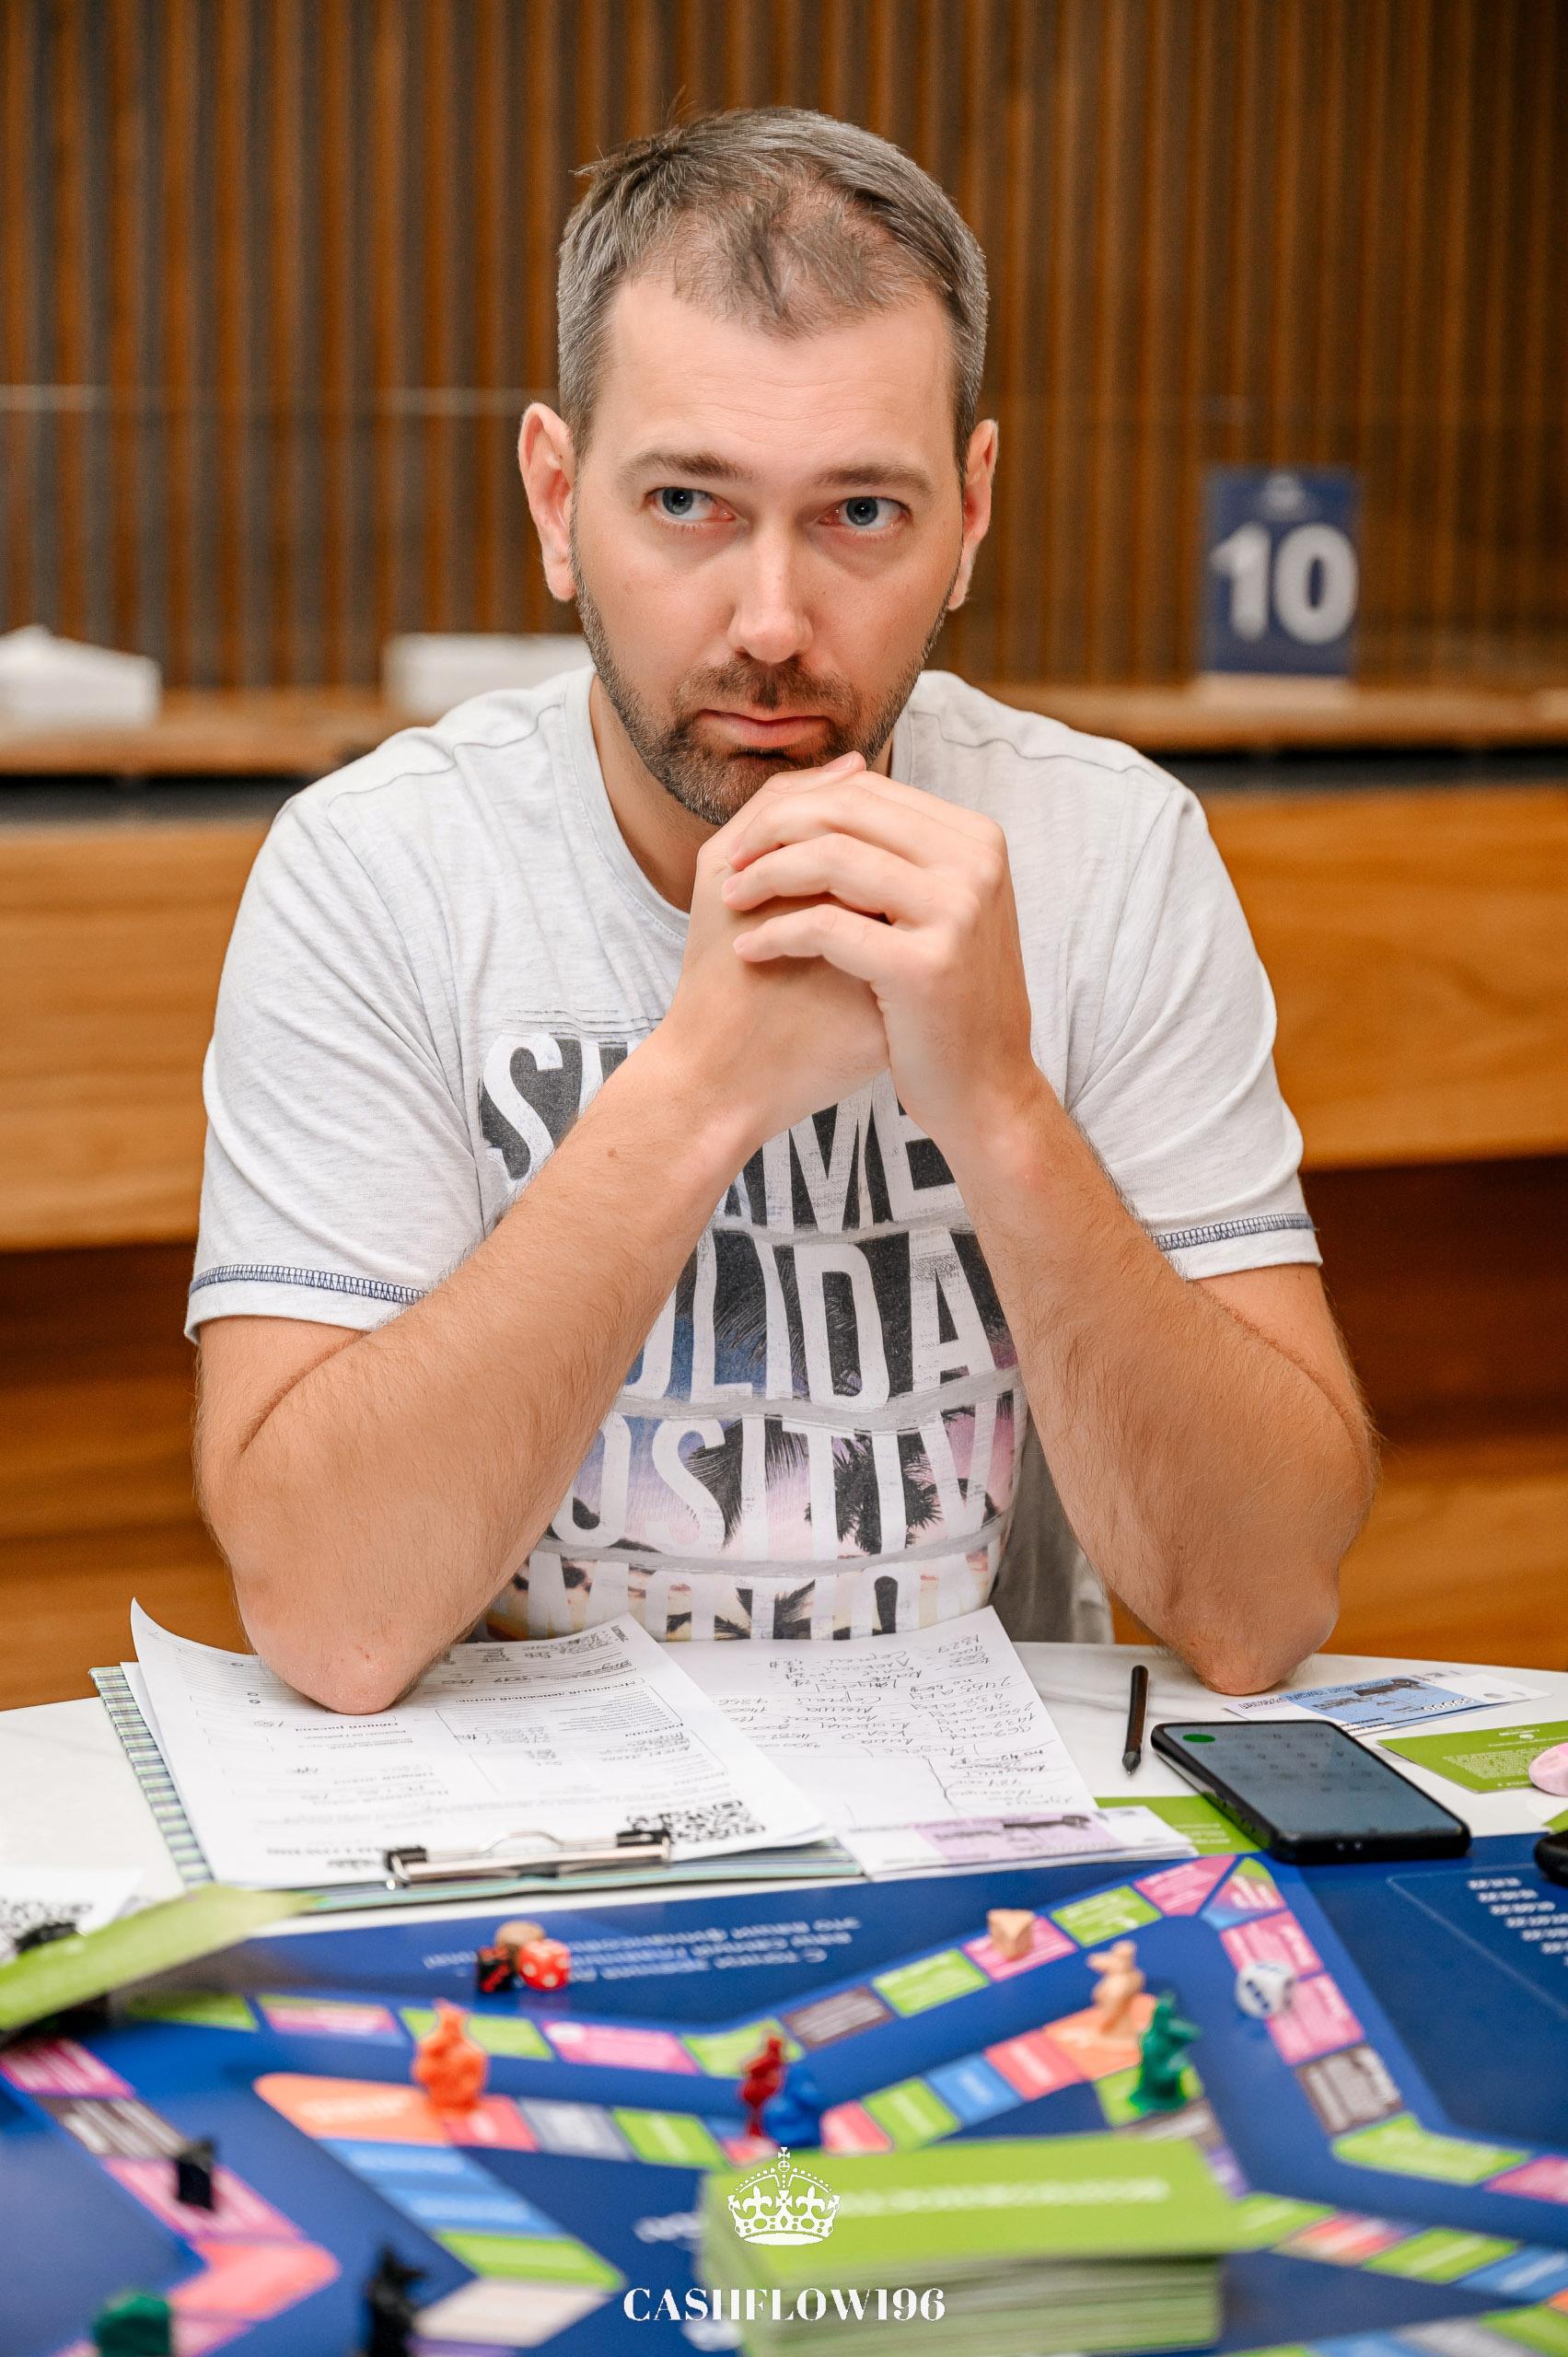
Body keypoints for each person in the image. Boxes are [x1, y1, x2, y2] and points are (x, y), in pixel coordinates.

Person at [189, 107, 1376, 1715]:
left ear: (970, 514)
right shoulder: (375, 870)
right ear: (556, 501)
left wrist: (1001, 1105)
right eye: (688, 502)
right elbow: (330, 1619)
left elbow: (1261, 1606)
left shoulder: (1112, 850)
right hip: (523, 1820)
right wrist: (699, 1086)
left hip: (988, 1805)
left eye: (860, 514)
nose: (770, 624)